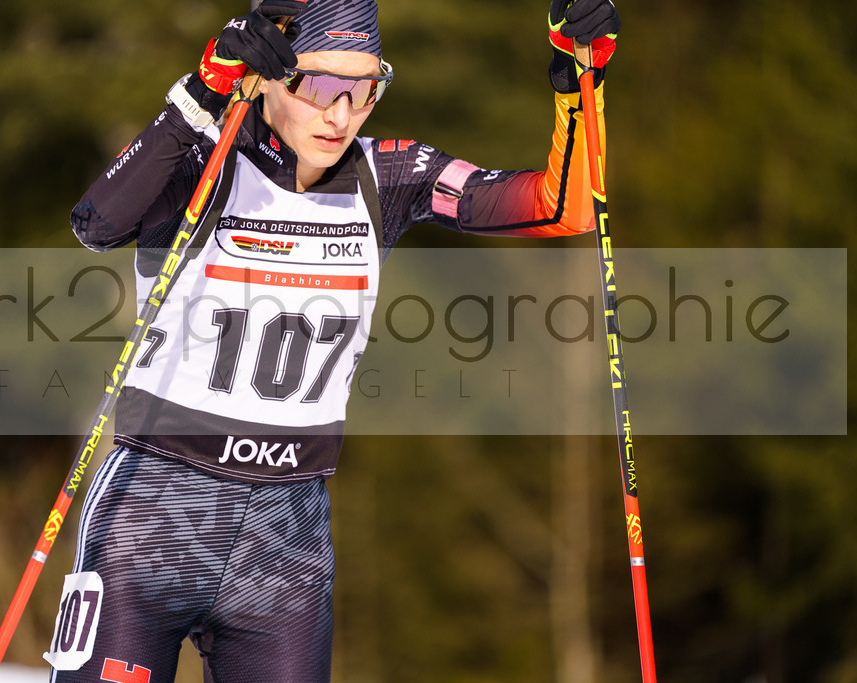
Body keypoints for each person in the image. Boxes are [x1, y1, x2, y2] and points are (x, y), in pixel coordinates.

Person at [46, 0, 620, 680]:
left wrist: (579, 81)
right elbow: (98, 221)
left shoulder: (392, 174)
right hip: (154, 511)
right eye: (320, 87)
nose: (341, 114)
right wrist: (206, 86)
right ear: (270, 78)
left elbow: (565, 205)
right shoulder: (203, 158)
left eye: (365, 90)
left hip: (286, 535)